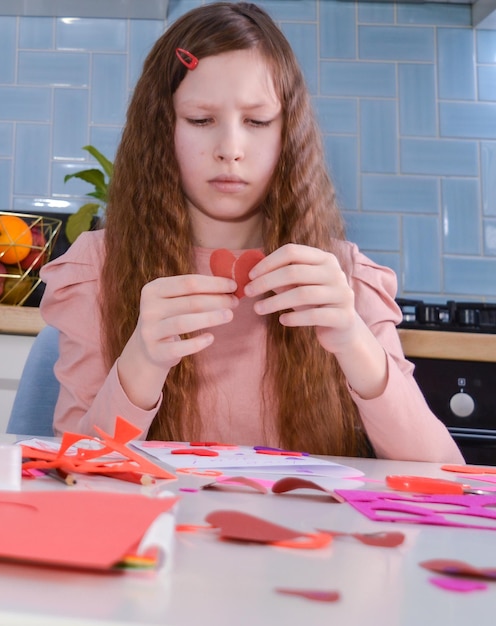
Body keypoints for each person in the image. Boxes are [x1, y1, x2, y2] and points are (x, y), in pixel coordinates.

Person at [40, 2, 463, 463]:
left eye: (257, 122)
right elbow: (76, 470)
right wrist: (142, 359)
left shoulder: (344, 278)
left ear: (289, 135)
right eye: (201, 120)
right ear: (161, 131)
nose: (230, 149)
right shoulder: (96, 269)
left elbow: (445, 475)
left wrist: (351, 338)